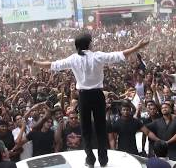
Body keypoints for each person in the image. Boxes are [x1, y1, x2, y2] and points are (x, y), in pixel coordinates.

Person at [24, 33, 149, 167]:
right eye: (91, 41)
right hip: (97, 95)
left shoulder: (73, 59)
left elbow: (53, 65)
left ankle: (90, 159)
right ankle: (103, 160)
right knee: (101, 128)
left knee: (85, 129)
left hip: (83, 96)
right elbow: (120, 54)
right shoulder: (98, 56)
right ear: (88, 44)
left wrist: (34, 63)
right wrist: (137, 46)